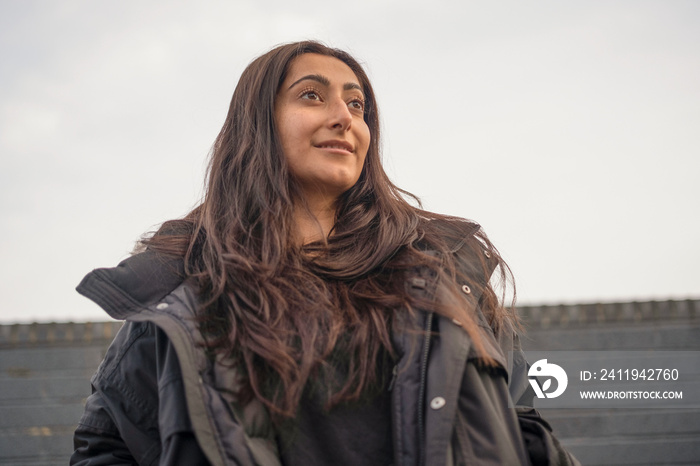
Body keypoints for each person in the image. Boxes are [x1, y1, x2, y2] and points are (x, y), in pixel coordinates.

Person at [70, 41, 579, 466]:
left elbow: (524, 429)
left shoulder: (442, 270)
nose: (344, 118)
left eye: (357, 106)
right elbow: (108, 445)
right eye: (312, 96)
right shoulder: (179, 289)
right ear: (258, 124)